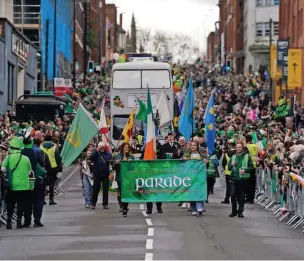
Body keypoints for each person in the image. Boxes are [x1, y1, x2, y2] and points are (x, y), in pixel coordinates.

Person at [1, 137, 32, 229]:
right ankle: (19, 222)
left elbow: (2, 169)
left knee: (10, 204)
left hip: (12, 185)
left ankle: (9, 222)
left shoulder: (9, 157)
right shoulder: (26, 158)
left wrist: (8, 171)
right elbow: (29, 172)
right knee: (21, 204)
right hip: (23, 185)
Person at [228, 142, 254, 218]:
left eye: (240, 147)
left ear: (242, 148)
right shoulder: (233, 156)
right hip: (234, 178)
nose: (238, 149)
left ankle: (240, 211)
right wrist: (231, 165)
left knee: (241, 196)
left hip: (243, 179)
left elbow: (251, 167)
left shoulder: (247, 156)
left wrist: (245, 170)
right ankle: (234, 211)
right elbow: (229, 168)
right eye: (237, 147)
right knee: (232, 195)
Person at [183, 141, 205, 216]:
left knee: (200, 191)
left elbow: (206, 163)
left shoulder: (201, 155)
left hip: (200, 177)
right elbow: (183, 164)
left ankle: (200, 207)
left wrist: (206, 161)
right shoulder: (187, 155)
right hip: (190, 177)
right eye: (191, 145)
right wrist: (184, 160)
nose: (193, 147)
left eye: (194, 145)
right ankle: (193, 209)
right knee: (192, 192)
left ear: (197, 146)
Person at [113, 142, 134, 217]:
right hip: (120, 177)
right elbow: (113, 168)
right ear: (122, 148)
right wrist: (116, 163)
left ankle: (125, 209)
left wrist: (131, 163)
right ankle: (123, 206)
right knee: (122, 193)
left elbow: (133, 168)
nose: (127, 149)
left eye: (128, 147)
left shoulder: (131, 157)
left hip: (128, 178)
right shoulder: (118, 156)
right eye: (125, 147)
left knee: (126, 193)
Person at [41, 135, 62, 205]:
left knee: (43, 183)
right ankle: (51, 199)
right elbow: (58, 157)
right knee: (52, 183)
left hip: (43, 166)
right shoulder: (54, 146)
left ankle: (43, 199)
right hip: (53, 167)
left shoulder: (41, 146)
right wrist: (59, 167)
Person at [21, 136, 38, 227]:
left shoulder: (22, 152)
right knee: (33, 200)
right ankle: (35, 219)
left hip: (23, 179)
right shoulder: (33, 152)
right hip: (32, 178)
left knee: (25, 201)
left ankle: (26, 220)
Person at [90, 142, 112, 210]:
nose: (102, 149)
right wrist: (96, 150)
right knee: (96, 189)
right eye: (100, 147)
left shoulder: (108, 154)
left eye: (103, 147)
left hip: (105, 174)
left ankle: (105, 204)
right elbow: (91, 158)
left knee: (105, 190)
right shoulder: (96, 153)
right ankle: (93, 203)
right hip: (97, 174)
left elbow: (110, 161)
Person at [245, 134, 259, 204]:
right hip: (255, 166)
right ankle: (252, 199)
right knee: (253, 184)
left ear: (246, 140)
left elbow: (246, 157)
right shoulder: (256, 146)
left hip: (249, 166)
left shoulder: (247, 146)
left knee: (247, 183)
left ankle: (248, 198)